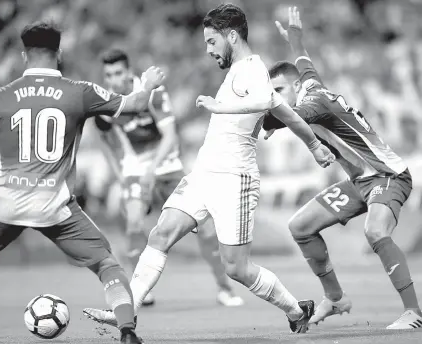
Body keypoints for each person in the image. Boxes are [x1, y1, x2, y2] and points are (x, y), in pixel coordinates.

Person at [84, 4, 335, 335]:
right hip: (204, 175)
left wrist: (221, 106)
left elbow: (262, 101)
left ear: (232, 36)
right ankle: (126, 312)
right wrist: (314, 145)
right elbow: (287, 113)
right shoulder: (235, 73)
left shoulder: (253, 69)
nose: (207, 50)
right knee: (159, 235)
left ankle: (295, 309)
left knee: (238, 268)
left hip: (236, 181)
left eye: (212, 41)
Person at [0, 22, 166, 344]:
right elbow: (136, 105)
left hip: (6, 205)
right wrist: (150, 85)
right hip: (55, 207)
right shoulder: (80, 91)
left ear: (23, 55)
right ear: (58, 54)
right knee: (107, 264)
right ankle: (127, 330)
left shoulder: (1, 96)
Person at [263, 7, 422, 330]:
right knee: (301, 226)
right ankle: (335, 297)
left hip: (388, 175)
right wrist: (294, 35)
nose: (276, 98)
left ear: (293, 88)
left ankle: (414, 313)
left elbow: (290, 117)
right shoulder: (309, 84)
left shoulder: (315, 103)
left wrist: (261, 119)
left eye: (278, 92)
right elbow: (303, 59)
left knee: (375, 231)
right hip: (360, 181)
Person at [91, 49, 244, 307]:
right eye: (108, 75)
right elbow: (103, 137)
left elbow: (170, 135)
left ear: (128, 72)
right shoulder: (107, 102)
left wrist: (151, 169)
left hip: (169, 167)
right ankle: (142, 291)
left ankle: (224, 289)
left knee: (206, 229)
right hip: (137, 171)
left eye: (118, 73)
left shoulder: (152, 91)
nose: (113, 80)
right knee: (133, 224)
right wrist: (120, 173)